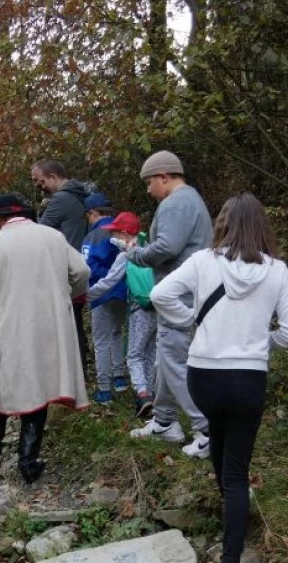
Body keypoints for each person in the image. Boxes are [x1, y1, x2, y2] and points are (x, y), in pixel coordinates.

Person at [151, 192, 288, 563]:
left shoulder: (203, 262)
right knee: (235, 471)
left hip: (204, 376)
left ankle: (231, 518)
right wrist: (261, 340)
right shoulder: (278, 271)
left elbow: (159, 295)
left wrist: (190, 322)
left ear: (222, 224)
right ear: (261, 227)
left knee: (220, 448)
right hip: (248, 378)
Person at [0, 193, 90, 483]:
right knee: (40, 387)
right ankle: (28, 461)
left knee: (0, 382)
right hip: (51, 322)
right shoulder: (54, 237)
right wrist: (65, 295)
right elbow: (82, 271)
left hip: (9, 322)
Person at [125, 150, 213, 458]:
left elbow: (166, 247)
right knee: (165, 358)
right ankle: (164, 421)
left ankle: (206, 430)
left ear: (165, 177)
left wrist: (133, 253)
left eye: (150, 183)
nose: (149, 190)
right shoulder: (190, 200)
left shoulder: (176, 203)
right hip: (183, 291)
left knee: (174, 361)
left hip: (178, 294)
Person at [88, 211, 157, 418]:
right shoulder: (151, 249)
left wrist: (86, 295)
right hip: (159, 308)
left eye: (116, 233)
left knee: (134, 355)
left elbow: (108, 283)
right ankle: (151, 393)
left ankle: (143, 394)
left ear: (125, 234)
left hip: (139, 310)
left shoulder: (125, 255)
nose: (113, 237)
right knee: (151, 353)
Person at [31, 159, 90, 373]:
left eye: (41, 181)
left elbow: (39, 232)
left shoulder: (61, 199)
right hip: (81, 265)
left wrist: (39, 214)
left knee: (67, 324)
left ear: (54, 177)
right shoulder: (81, 194)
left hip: (64, 269)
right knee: (75, 321)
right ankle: (79, 369)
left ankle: (73, 373)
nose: (40, 187)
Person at [82, 193, 128, 403]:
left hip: (100, 293)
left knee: (101, 340)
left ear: (92, 213)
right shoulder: (122, 230)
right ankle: (120, 378)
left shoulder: (93, 236)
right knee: (117, 332)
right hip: (123, 290)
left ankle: (104, 389)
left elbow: (86, 267)